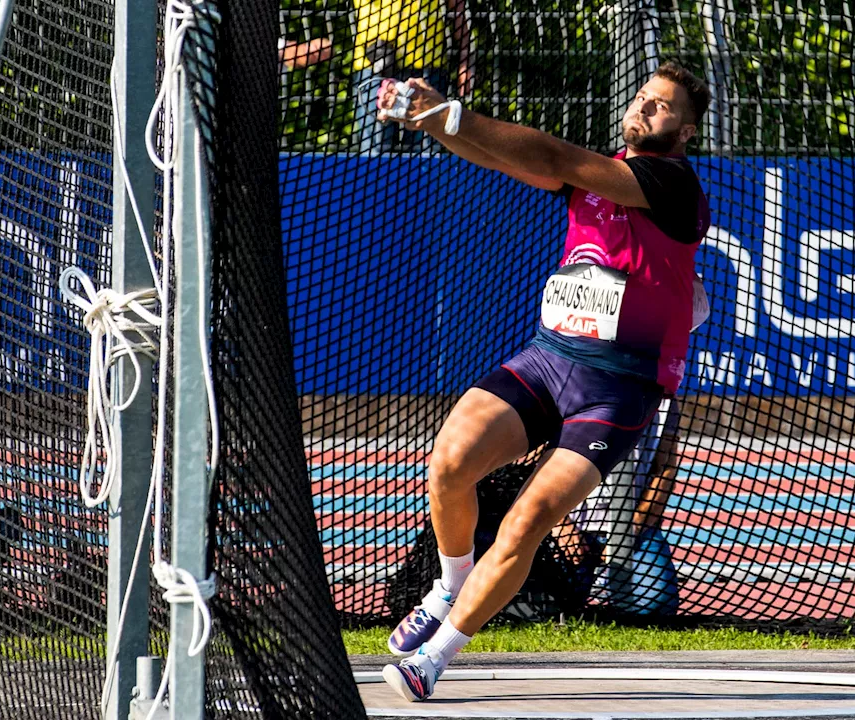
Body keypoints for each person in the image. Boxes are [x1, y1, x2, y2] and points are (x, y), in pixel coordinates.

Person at [374, 60, 712, 702]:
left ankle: (437, 656)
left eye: (662, 106)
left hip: (618, 387)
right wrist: (430, 118)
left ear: (686, 130)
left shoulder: (669, 183)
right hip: (549, 359)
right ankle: (450, 582)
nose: (644, 109)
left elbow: (554, 152)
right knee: (449, 462)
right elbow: (504, 157)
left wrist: (449, 113)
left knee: (529, 516)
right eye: (642, 97)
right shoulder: (602, 174)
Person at [281, 0, 473, 154]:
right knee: (375, 148)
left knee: (425, 148)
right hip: (374, 69)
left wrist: (466, 60)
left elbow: (457, 10)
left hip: (426, 69)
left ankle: (423, 200)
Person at [554, 396, 684, 617]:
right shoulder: (565, 385)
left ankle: (612, 588)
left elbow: (666, 468)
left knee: (655, 607)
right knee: (550, 604)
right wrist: (560, 526)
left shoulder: (662, 398)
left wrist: (630, 529)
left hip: (633, 524)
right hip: (566, 523)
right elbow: (531, 463)